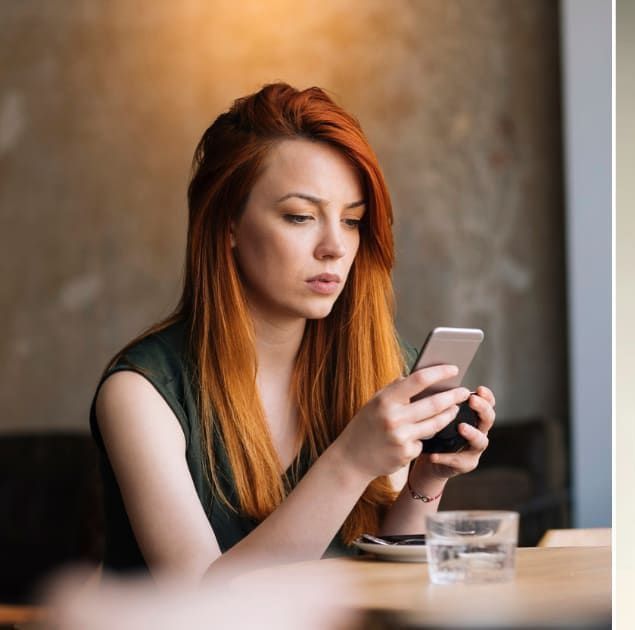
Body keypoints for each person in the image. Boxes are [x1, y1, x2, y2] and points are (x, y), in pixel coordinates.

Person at [90, 83, 496, 583]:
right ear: (229, 226)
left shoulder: (381, 368)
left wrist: (427, 477)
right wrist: (349, 461)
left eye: (352, 221)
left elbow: (392, 579)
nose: (334, 247)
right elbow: (201, 608)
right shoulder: (141, 393)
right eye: (300, 216)